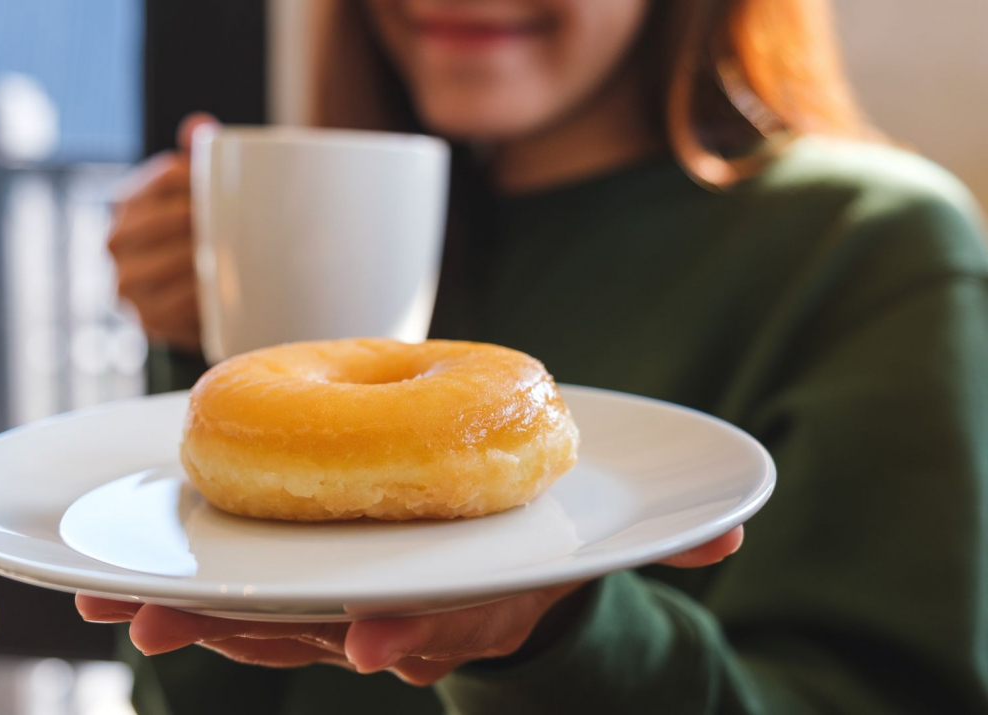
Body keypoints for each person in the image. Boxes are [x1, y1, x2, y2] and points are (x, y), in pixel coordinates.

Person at [80, 0, 988, 712]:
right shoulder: (354, 246)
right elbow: (194, 695)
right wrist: (207, 332)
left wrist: (557, 638)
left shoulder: (868, 244)